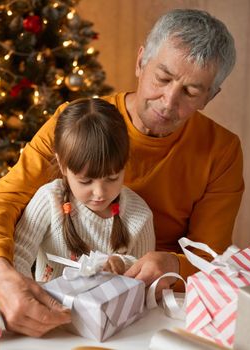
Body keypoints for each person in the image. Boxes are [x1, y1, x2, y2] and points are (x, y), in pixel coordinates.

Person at [0, 8, 244, 337]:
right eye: (163, 78)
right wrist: (0, 274)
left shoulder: (221, 150)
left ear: (210, 96)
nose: (169, 102)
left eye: (191, 92)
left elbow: (209, 259)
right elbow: (0, 201)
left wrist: (172, 265)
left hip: (158, 305)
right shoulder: (75, 125)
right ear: (141, 61)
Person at [13, 98, 155, 282]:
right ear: (63, 166)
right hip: (49, 307)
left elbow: (144, 278)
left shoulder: (139, 215)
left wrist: (123, 263)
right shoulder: (49, 200)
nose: (100, 193)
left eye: (112, 178)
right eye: (86, 181)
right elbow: (18, 258)